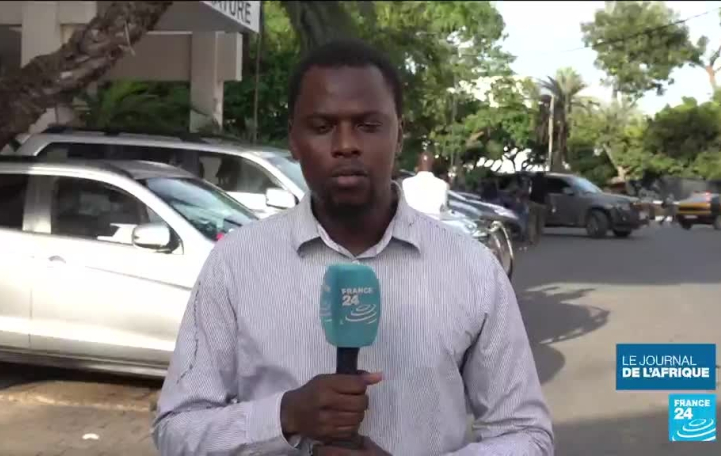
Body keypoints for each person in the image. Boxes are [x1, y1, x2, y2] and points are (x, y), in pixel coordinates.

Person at [152, 39, 554, 456]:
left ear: (399, 135)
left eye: (368, 125)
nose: (346, 144)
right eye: (322, 126)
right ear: (294, 140)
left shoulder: (473, 269)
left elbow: (527, 434)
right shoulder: (236, 264)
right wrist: (284, 416)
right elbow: (176, 430)